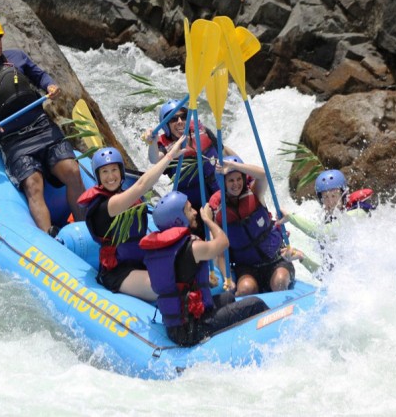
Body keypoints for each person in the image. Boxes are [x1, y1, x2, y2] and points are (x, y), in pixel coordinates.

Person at [0, 15, 86, 234]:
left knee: (73, 171)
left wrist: (50, 86)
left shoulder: (17, 57)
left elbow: (40, 76)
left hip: (42, 127)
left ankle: (87, 230)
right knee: (33, 184)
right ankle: (50, 240)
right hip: (13, 139)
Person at [139, 190, 270, 346]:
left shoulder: (162, 250)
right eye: (189, 209)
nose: (195, 212)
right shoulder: (192, 248)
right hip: (192, 330)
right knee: (255, 304)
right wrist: (208, 220)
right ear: (178, 219)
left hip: (177, 326)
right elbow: (223, 242)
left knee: (228, 297)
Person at [77, 137, 186, 302]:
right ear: (98, 176)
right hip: (118, 271)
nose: (110, 176)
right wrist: (169, 156)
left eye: (114, 170)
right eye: (104, 172)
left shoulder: (123, 196)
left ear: (121, 172)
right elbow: (142, 185)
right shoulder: (107, 206)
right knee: (164, 287)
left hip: (141, 260)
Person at [143, 99, 237, 229]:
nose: (180, 121)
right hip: (194, 208)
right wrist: (152, 142)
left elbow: (223, 151)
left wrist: (243, 169)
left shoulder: (202, 131)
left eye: (183, 117)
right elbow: (154, 159)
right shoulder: (166, 147)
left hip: (220, 193)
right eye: (174, 119)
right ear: (166, 125)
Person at [208, 156, 295, 295]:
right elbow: (221, 255)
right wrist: (227, 278)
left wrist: (232, 165)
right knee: (245, 289)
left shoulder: (255, 193)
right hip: (247, 268)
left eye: (239, 179)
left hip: (275, 259)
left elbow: (263, 174)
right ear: (222, 182)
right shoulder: (220, 214)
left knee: (279, 283)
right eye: (231, 180)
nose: (236, 184)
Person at [277, 169, 375, 272]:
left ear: (343, 195)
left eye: (334, 195)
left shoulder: (357, 213)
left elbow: (322, 232)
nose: (330, 202)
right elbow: (326, 275)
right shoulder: (329, 222)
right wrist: (302, 257)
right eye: (326, 197)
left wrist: (291, 218)